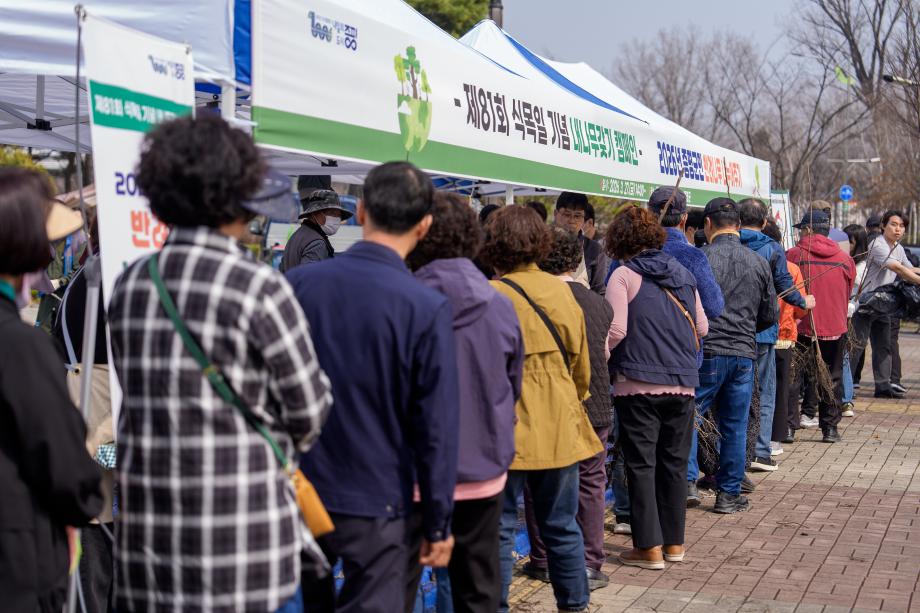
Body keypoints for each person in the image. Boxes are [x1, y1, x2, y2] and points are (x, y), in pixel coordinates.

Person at [107, 116, 332, 613]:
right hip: (244, 550)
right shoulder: (259, 286)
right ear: (238, 190)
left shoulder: (131, 286)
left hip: (150, 548)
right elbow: (310, 411)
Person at [287, 162, 460, 613]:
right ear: (424, 225)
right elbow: (436, 427)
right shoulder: (426, 307)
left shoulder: (298, 285)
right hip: (381, 500)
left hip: (302, 488)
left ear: (360, 210)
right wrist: (439, 520)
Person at [403, 191, 524, 613]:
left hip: (410, 473)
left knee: (399, 586)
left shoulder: (400, 301)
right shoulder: (500, 305)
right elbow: (514, 386)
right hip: (482, 466)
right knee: (478, 587)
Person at [481, 206, 602, 613]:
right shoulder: (561, 292)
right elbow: (581, 368)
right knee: (562, 526)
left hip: (504, 427)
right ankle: (574, 604)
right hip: (559, 423)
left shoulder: (491, 295)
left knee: (498, 530)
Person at [0, 167, 104, 613]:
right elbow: (70, 470)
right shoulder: (21, 347)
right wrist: (102, 454)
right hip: (20, 561)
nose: (49, 254)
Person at [604, 206, 708, 569]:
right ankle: (674, 545)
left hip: (637, 383)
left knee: (641, 464)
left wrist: (597, 356)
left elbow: (616, 330)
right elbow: (702, 325)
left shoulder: (623, 276)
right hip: (683, 383)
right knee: (674, 465)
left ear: (618, 239)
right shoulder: (682, 272)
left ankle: (647, 547)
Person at [525, 226, 613, 590]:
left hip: (549, 407)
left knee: (537, 482)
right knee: (592, 482)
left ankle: (544, 559)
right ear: (577, 260)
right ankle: (591, 561)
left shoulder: (532, 299)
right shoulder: (599, 303)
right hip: (596, 403)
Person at [687, 198, 777, 514]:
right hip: (742, 352)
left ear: (707, 225)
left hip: (707, 350)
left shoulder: (698, 258)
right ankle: (728, 494)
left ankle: (686, 485)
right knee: (735, 425)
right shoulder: (759, 262)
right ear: (737, 225)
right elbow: (769, 313)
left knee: (691, 415)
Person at [737, 199, 814, 472]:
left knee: (734, 394)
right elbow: (786, 286)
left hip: (729, 331)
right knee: (764, 393)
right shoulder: (772, 249)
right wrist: (804, 301)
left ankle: (731, 455)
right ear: (764, 222)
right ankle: (759, 450)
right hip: (764, 332)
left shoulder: (725, 244)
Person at [786, 209, 855, 443]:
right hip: (834, 326)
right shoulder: (845, 259)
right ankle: (830, 429)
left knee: (793, 376)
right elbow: (848, 291)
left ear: (807, 229)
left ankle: (788, 428)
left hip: (799, 324)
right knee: (831, 377)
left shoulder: (793, 255)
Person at [850, 210, 920, 399]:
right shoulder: (877, 244)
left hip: (883, 303)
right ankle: (845, 389)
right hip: (865, 302)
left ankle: (883, 386)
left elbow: (908, 267)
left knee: (884, 345)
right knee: (857, 345)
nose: (898, 229)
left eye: (902, 226)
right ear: (883, 226)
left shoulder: (896, 247)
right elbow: (898, 269)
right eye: (894, 224)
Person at [761, 221, 807, 449]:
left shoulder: (753, 260)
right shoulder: (792, 268)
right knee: (781, 387)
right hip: (785, 334)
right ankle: (777, 435)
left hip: (757, 334)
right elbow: (800, 307)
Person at [648, 186, 725, 320]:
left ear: (648, 214)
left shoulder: (629, 250)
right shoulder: (694, 257)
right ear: (684, 218)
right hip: (679, 337)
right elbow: (713, 307)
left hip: (635, 337)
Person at [280, 188, 353, 272]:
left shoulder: (297, 235)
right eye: (332, 213)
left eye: (338, 215)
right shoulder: (316, 243)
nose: (336, 219)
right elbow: (310, 279)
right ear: (315, 213)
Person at [554, 191, 606, 295]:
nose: (572, 220)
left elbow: (599, 290)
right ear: (555, 214)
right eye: (567, 214)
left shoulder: (594, 249)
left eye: (577, 216)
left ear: (584, 218)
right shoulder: (543, 244)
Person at [841, 224, 869, 413]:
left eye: (849, 243)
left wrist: (850, 306)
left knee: (845, 356)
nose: (845, 246)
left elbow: (859, 296)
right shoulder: (847, 262)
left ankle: (846, 398)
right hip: (845, 312)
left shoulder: (860, 267)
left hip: (853, 315)